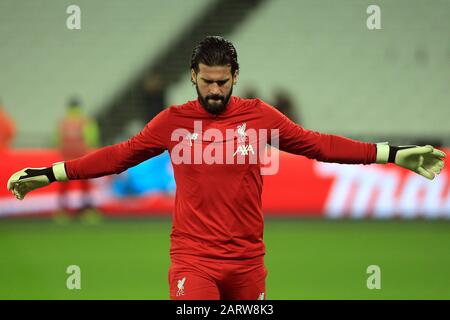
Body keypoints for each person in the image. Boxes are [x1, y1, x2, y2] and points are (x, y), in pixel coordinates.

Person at [7, 36, 446, 300]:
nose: (214, 89)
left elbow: (320, 146)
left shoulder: (260, 118)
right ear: (193, 76)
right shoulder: (172, 122)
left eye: (222, 80)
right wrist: (52, 173)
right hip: (193, 262)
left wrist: (390, 153)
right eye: (205, 80)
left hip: (248, 264)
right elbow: (118, 155)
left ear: (234, 76)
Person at [55, 97, 101, 223]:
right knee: (85, 186)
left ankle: (62, 212)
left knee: (64, 186)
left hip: (66, 159)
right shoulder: (85, 121)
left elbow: (56, 140)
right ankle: (87, 211)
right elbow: (92, 139)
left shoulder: (63, 122)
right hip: (82, 158)